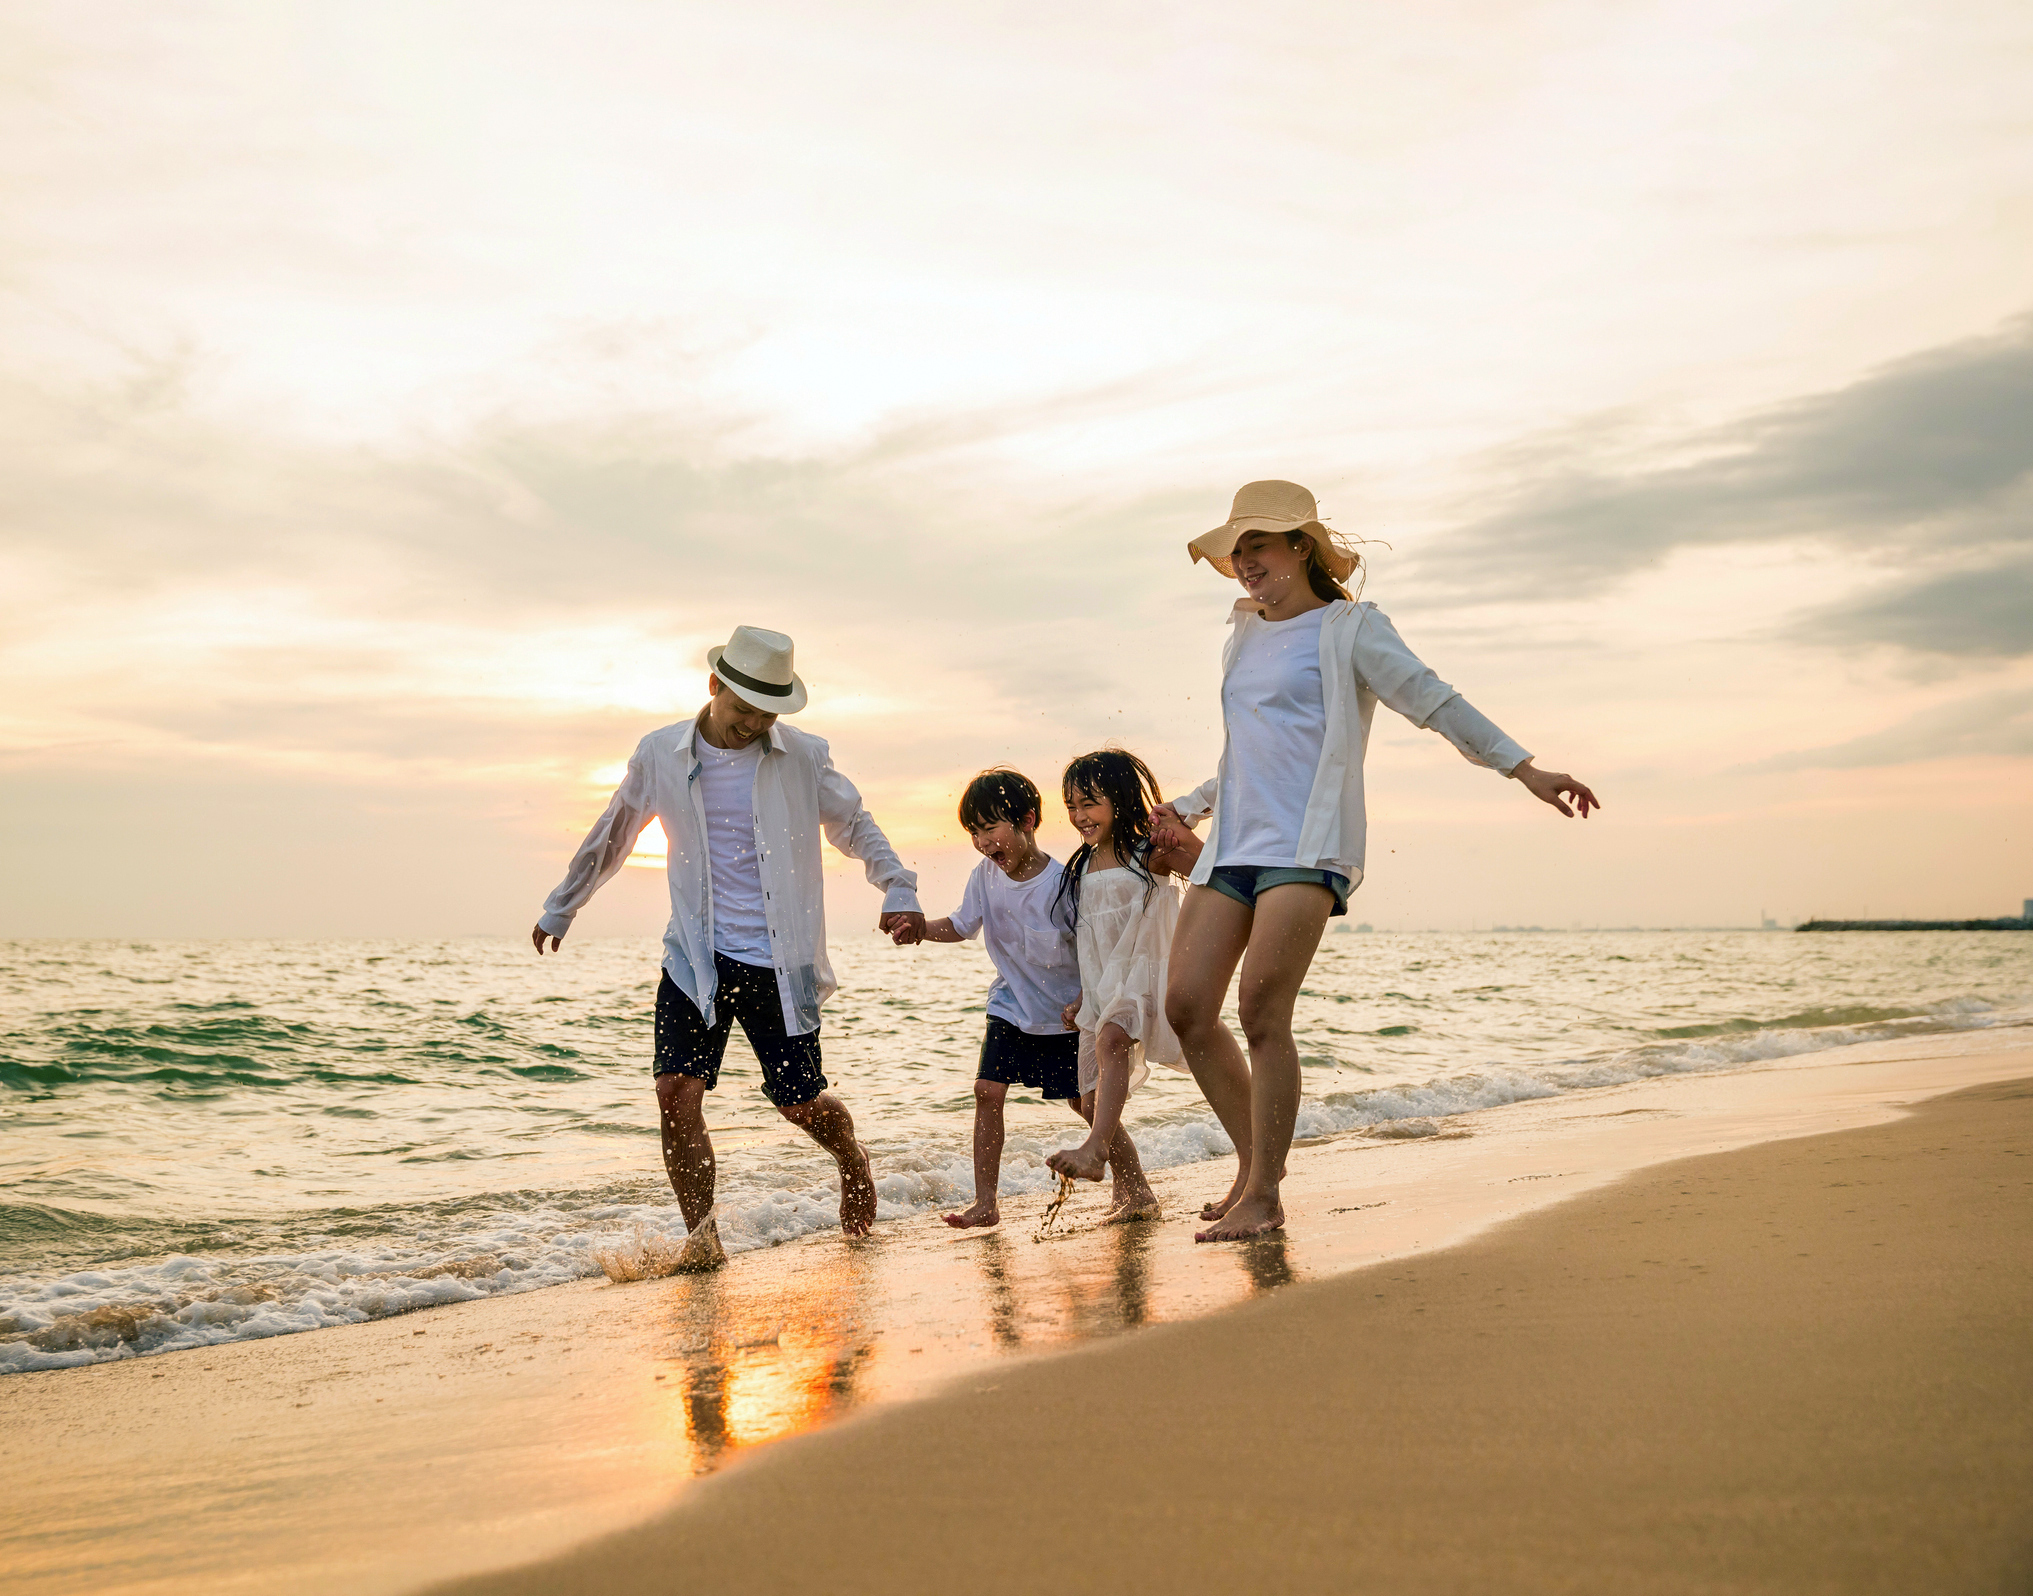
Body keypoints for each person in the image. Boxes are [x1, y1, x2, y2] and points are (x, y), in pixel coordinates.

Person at [1154, 481, 1600, 1242]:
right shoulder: (1242, 634)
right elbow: (1249, 748)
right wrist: (1193, 803)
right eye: (1237, 549)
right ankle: (1249, 1165)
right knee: (1187, 1008)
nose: (1244, 560)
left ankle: (1264, 1193)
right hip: (1232, 842)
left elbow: (1431, 699)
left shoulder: (1350, 628)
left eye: (1258, 543)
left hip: (1306, 843)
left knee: (1261, 1012)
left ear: (1302, 546)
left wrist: (1521, 767)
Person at [530, 625, 925, 1263]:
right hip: (695, 955)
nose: (751, 724)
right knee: (675, 1093)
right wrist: (563, 905)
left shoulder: (803, 756)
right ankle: (702, 1238)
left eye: (766, 712)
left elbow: (854, 825)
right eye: (742, 709)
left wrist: (897, 889)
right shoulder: (660, 753)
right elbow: (615, 832)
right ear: (714, 687)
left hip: (779, 958)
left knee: (799, 1104)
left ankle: (852, 1157)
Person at [895, 768, 1097, 1230]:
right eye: (974, 832)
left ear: (1027, 821)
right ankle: (986, 1203)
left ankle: (1135, 1183)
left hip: (1066, 1016)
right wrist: (921, 930)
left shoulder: (1063, 884)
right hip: (1010, 1005)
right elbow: (962, 925)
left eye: (990, 829)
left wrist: (1087, 999)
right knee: (987, 1092)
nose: (983, 843)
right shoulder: (984, 876)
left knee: (1086, 1106)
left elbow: (1093, 948)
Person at [1042, 750, 1201, 1220]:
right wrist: (1081, 996)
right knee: (1087, 1099)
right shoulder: (1083, 866)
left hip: (1146, 973)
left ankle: (1094, 1153)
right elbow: (1091, 941)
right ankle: (1134, 1192)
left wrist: (1184, 839)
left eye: (1089, 802)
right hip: (1102, 987)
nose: (1078, 816)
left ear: (1120, 799)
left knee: (1113, 1040)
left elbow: (1212, 873)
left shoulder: (1148, 852)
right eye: (1071, 805)